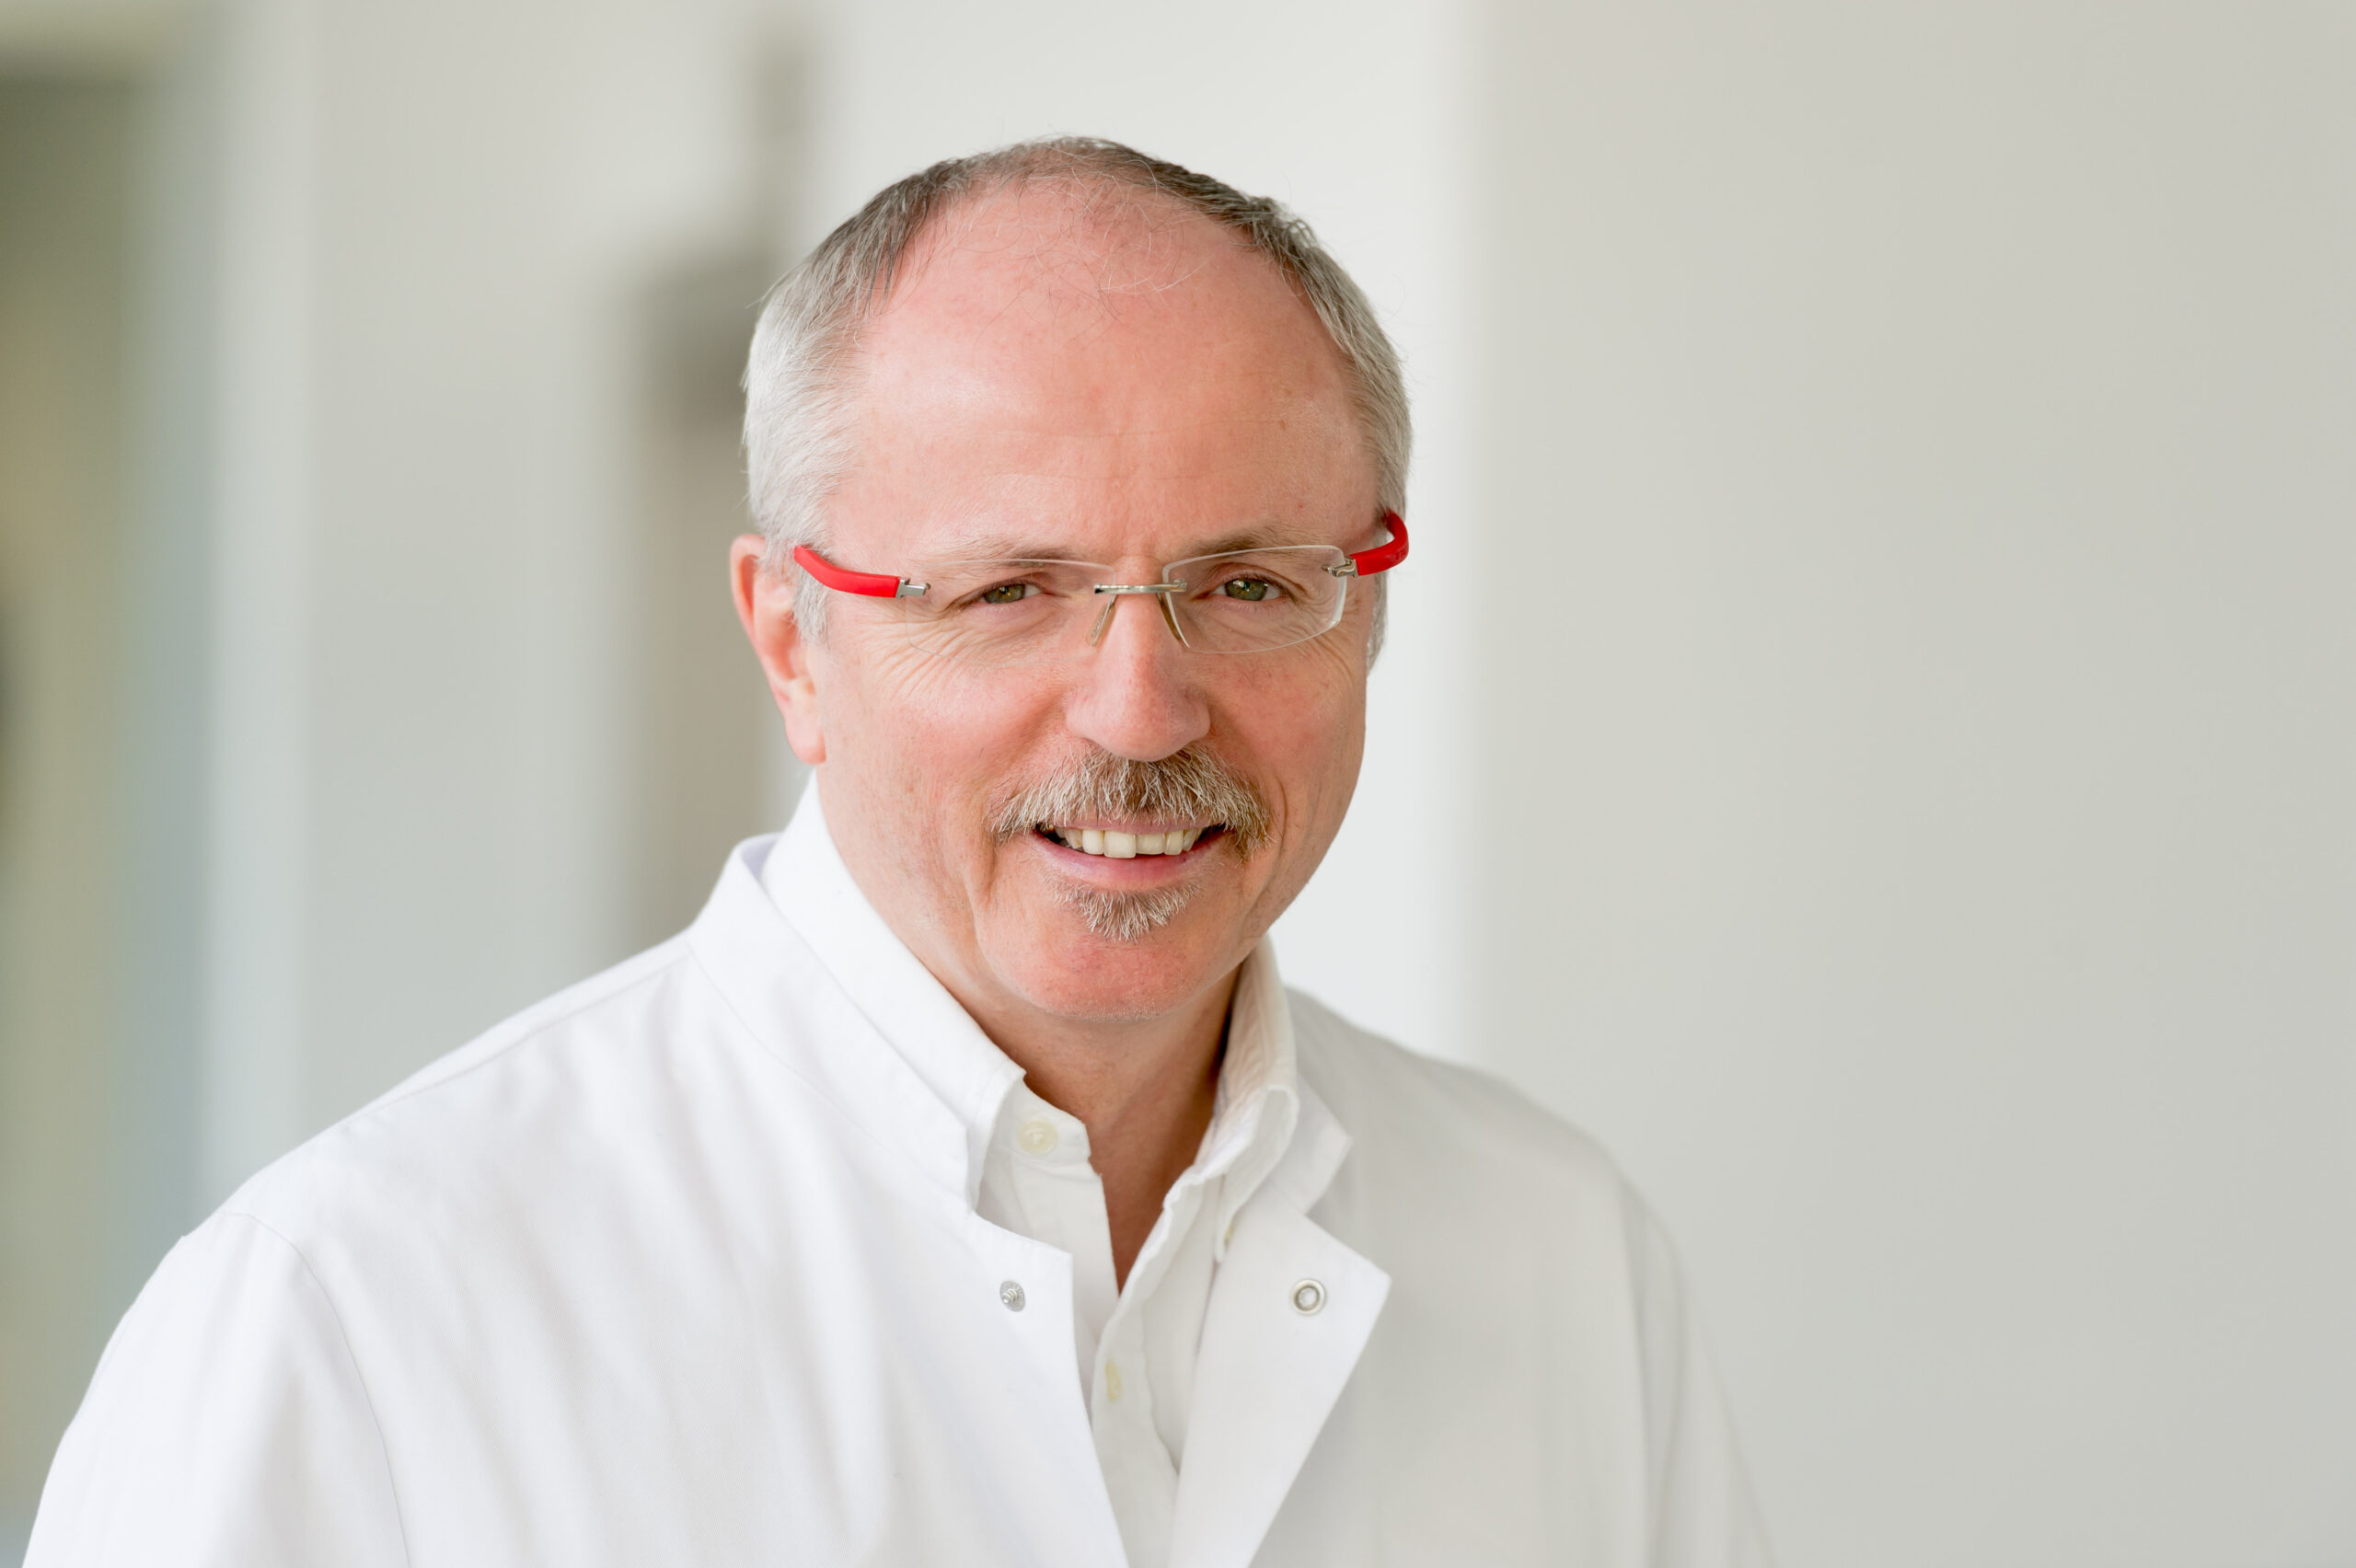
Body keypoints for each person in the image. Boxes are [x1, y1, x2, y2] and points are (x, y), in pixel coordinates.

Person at [29, 138, 1770, 1567]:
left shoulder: (1559, 1259)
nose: (1142, 708)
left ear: (1367, 608)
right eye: (1007, 592)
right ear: (791, 640)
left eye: (1249, 584)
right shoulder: (354, 1319)